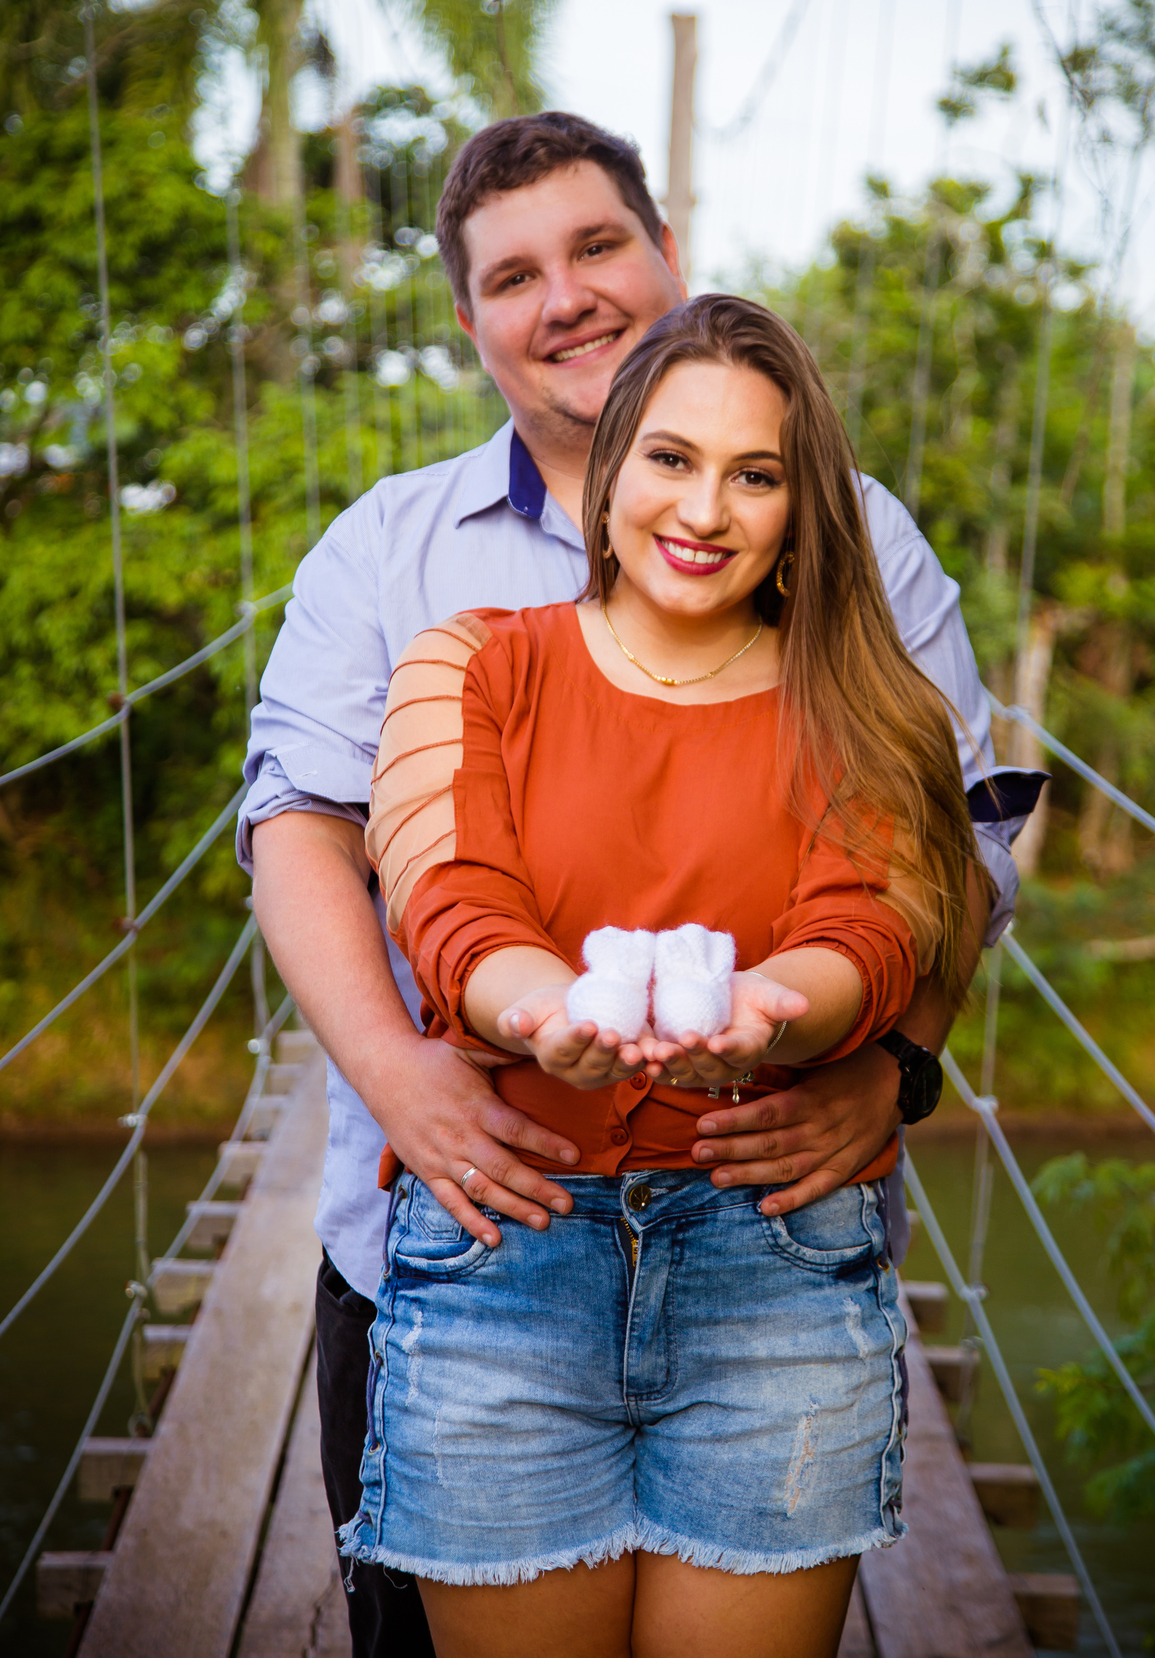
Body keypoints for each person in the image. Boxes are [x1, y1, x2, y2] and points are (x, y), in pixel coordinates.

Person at [241, 114, 1040, 1656]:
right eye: (514, 275)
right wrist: (407, 1071)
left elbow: (948, 848)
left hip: (769, 1229)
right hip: (468, 1213)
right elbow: (314, 835)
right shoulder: (403, 571)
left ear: (666, 248)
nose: (568, 297)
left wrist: (891, 1055)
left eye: (599, 244)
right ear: (469, 319)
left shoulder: (862, 544)